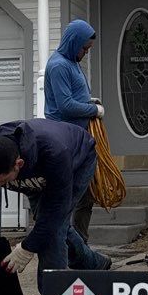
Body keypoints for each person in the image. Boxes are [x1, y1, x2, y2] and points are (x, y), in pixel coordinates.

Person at [0, 117, 111, 291]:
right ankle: (94, 263)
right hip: (36, 174)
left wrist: (27, 248)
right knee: (48, 227)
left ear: (18, 164)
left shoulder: (54, 152)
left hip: (76, 162)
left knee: (53, 230)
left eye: (2, 181)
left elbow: (54, 214)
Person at [42, 18, 104, 241]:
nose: (86, 53)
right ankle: (67, 246)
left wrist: (89, 101)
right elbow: (65, 106)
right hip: (65, 141)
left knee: (85, 198)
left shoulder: (72, 63)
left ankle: (80, 246)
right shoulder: (58, 65)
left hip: (79, 139)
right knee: (71, 196)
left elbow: (74, 96)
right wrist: (93, 110)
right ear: (73, 42)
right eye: (84, 48)